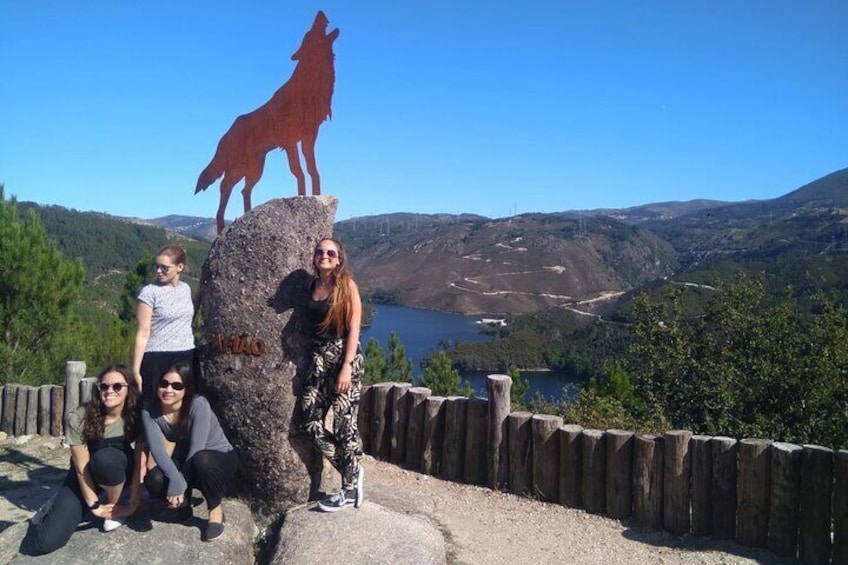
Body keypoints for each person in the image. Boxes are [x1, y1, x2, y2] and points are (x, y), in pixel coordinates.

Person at [30, 365, 142, 554]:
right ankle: (58, 503)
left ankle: (114, 508)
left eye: (117, 386)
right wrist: (94, 504)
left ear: (129, 388)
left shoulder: (137, 415)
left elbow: (141, 461)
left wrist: (132, 504)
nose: (109, 391)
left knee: (107, 460)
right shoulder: (80, 417)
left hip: (119, 467)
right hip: (87, 473)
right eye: (104, 386)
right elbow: (81, 466)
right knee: (46, 542)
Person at [301, 237, 365, 511]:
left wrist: (346, 366)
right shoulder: (311, 286)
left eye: (330, 252)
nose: (324, 256)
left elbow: (354, 328)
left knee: (343, 424)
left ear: (339, 259)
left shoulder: (346, 286)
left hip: (343, 359)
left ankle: (349, 490)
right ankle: (353, 471)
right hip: (318, 361)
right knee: (310, 421)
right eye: (319, 252)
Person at [141, 362, 237, 542]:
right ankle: (183, 508)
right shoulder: (150, 410)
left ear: (187, 389)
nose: (168, 389)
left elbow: (197, 448)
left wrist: (180, 483)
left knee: (202, 460)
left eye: (177, 386)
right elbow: (158, 451)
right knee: (154, 479)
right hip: (188, 459)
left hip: (218, 459)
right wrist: (175, 480)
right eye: (164, 383)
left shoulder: (198, 404)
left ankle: (215, 511)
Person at [132, 244, 196, 402]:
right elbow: (142, 333)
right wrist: (135, 370)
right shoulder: (149, 292)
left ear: (179, 267)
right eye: (157, 266)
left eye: (164, 268)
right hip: (157, 357)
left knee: (185, 406)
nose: (158, 271)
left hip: (186, 354)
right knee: (155, 405)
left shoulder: (186, 289)